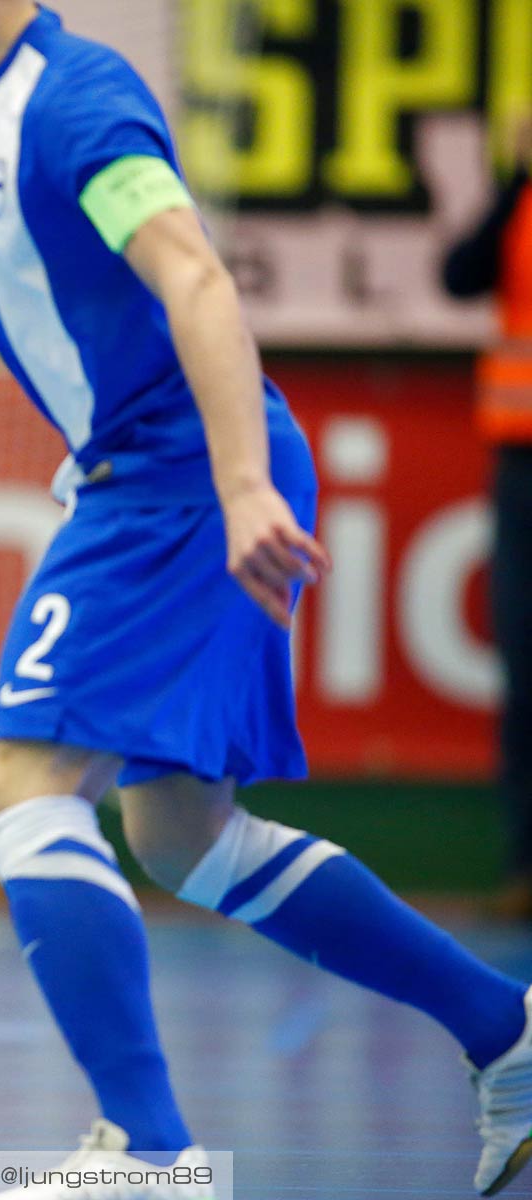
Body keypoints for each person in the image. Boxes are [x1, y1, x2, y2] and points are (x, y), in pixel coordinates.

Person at [0, 1, 532, 1194]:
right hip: (158, 477)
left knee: (20, 791)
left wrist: (238, 490)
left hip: (178, 478)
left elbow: (197, 277)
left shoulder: (77, 105)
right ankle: (509, 1032)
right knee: (181, 834)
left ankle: (150, 1150)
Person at [443, 117, 532, 925]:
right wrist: (513, 180)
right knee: (524, 666)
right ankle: (524, 866)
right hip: (523, 469)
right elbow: (459, 276)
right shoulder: (522, 204)